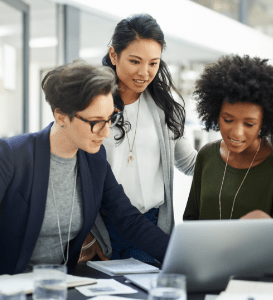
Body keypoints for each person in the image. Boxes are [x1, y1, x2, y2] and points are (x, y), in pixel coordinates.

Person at [0, 60, 170, 292]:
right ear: (61, 116)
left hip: (60, 288)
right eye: (96, 122)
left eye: (110, 119)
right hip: (4, 286)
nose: (107, 132)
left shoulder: (94, 158)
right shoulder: (13, 156)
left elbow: (128, 220)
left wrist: (177, 254)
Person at [79, 14, 197, 263]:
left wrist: (240, 155)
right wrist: (87, 234)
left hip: (151, 227)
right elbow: (73, 172)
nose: (145, 72)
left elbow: (189, 162)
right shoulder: (90, 104)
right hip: (101, 229)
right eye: (135, 61)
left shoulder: (165, 108)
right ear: (114, 55)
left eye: (153, 63)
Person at [183, 54, 273, 273]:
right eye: (228, 119)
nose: (236, 132)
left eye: (249, 123)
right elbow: (191, 226)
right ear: (215, 113)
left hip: (263, 283)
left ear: (264, 123)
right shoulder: (207, 156)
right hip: (210, 275)